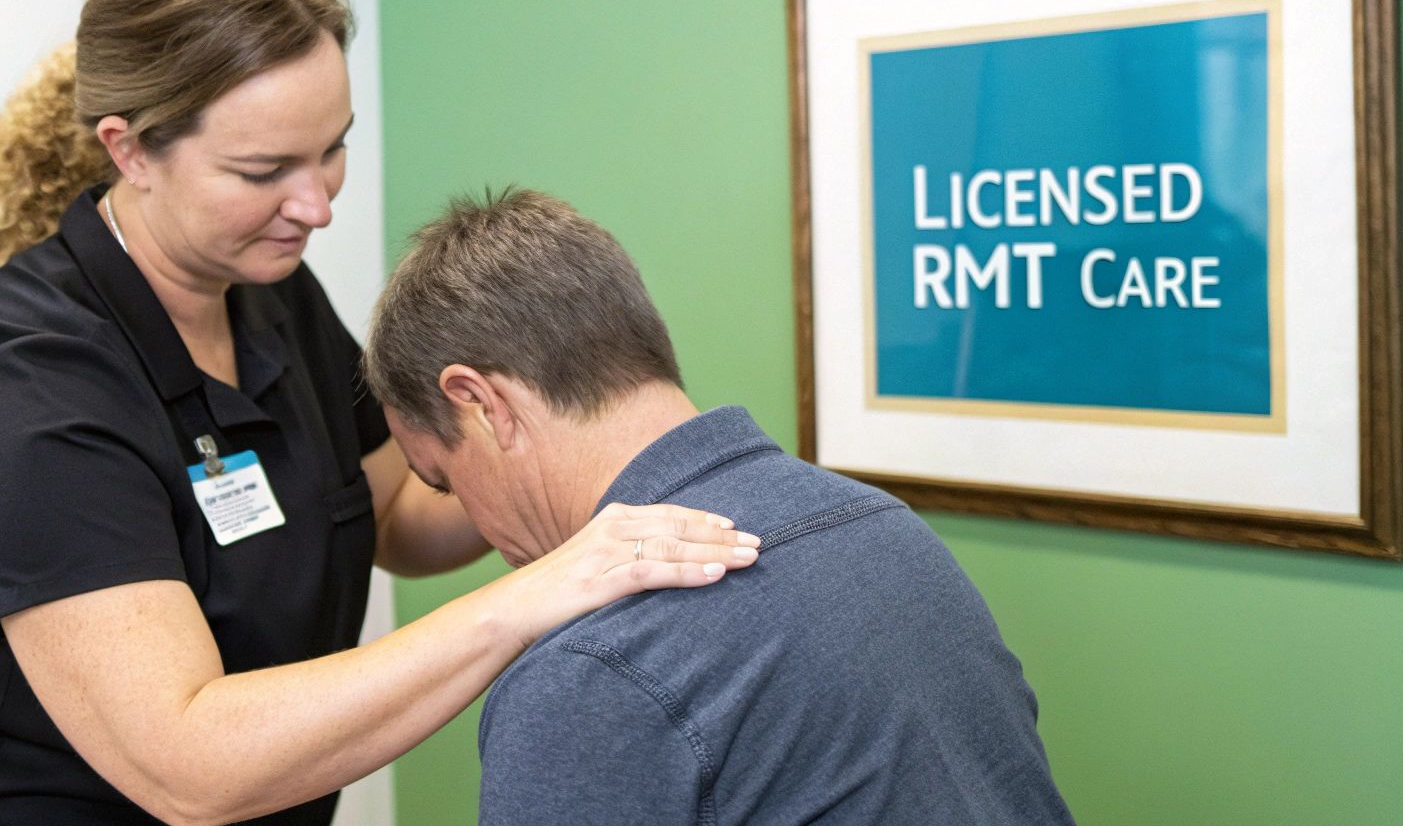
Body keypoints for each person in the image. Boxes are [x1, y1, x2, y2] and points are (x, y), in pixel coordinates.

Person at [0, 0, 759, 825]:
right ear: (129, 150)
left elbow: (397, 517)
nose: (316, 205)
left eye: (332, 147)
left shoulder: (268, 294)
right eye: (263, 169)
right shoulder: (28, 387)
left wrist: (582, 465)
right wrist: (541, 592)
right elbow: (189, 767)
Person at [361, 189, 1076, 825]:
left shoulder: (591, 671)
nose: (475, 523)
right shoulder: (888, 533)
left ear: (483, 405)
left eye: (444, 481)